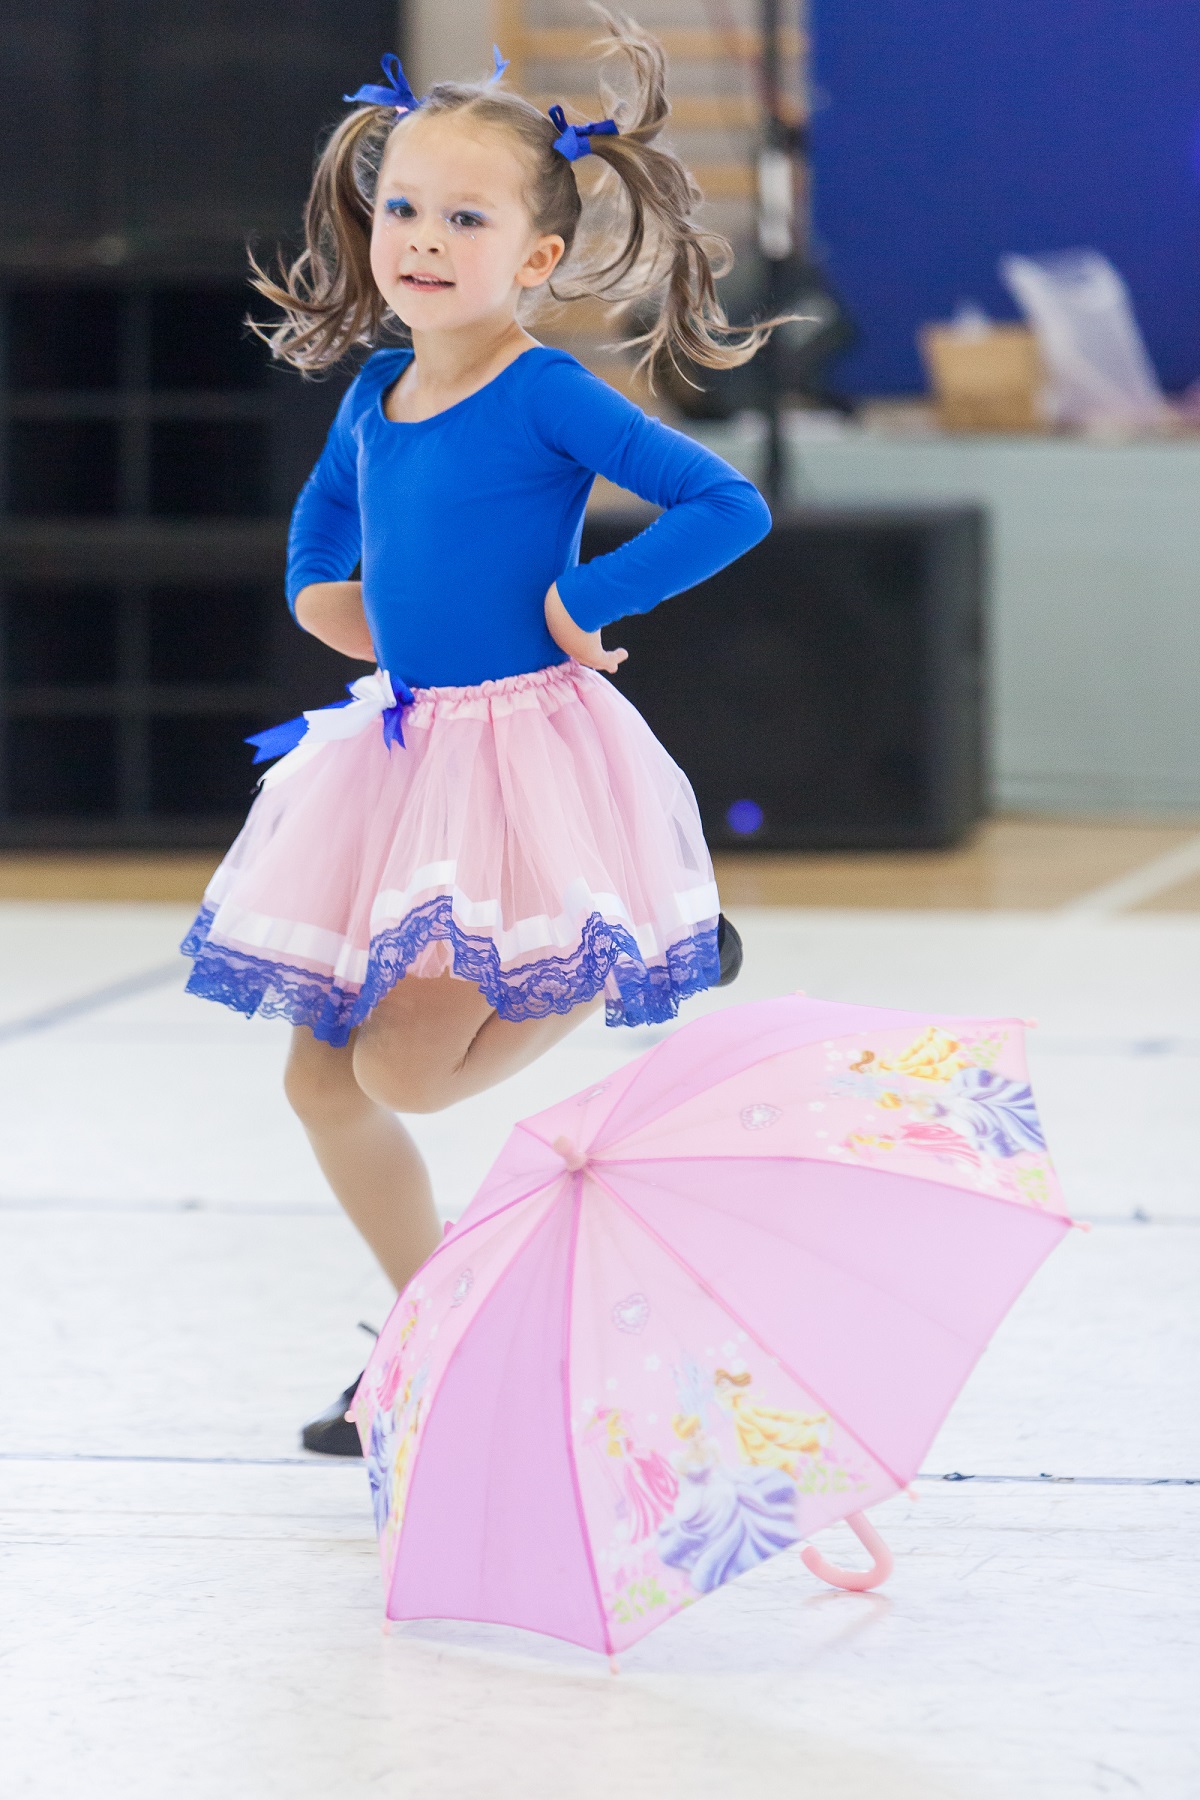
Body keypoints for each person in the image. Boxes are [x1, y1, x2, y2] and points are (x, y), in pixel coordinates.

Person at [181, 12, 782, 1452]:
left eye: (466, 216)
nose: (424, 239)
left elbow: (727, 503)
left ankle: (649, 940)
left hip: (519, 760)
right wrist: (321, 596)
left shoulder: (545, 390)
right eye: (404, 208)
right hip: (398, 755)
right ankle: (433, 1333)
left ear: (536, 256)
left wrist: (587, 596)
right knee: (320, 1085)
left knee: (398, 1070)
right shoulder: (373, 391)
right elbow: (328, 516)